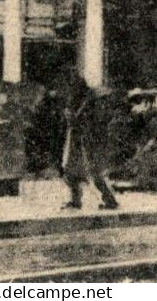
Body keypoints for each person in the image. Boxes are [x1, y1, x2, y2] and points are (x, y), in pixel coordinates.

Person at [61, 73, 119, 211]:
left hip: (87, 140)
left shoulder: (91, 100)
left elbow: (90, 121)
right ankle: (76, 201)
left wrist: (74, 118)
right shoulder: (79, 99)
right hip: (77, 139)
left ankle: (110, 200)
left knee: (93, 172)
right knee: (71, 172)